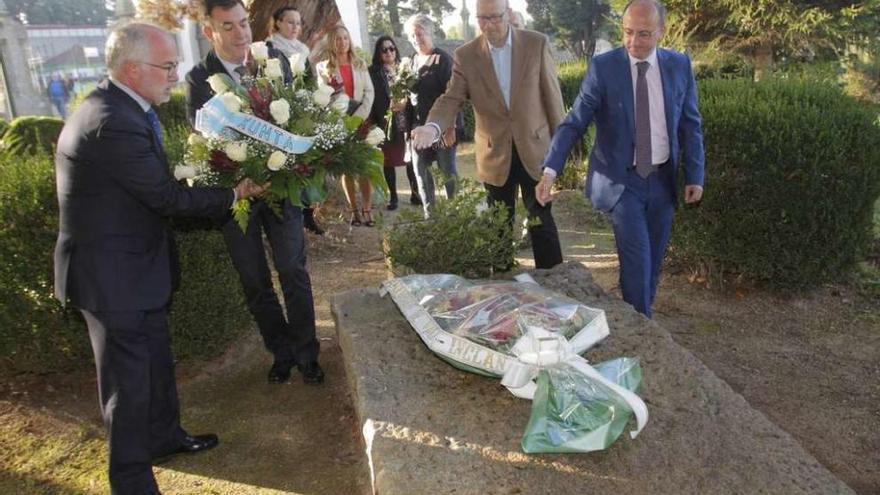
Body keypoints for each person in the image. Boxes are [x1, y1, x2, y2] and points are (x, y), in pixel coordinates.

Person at [53, 22, 268, 494]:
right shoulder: (113, 123)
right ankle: (131, 481)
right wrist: (234, 193)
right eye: (167, 66)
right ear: (132, 69)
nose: (176, 75)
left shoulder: (124, 107)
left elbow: (152, 188)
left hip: (132, 271)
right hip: (112, 278)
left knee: (153, 363)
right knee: (127, 388)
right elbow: (165, 199)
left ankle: (165, 437)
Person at [537, 0, 706, 317]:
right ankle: (643, 329)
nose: (633, 42)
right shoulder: (604, 67)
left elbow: (690, 124)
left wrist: (695, 175)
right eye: (627, 32)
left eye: (643, 34)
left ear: (661, 32)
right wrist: (550, 170)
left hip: (662, 181)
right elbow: (575, 121)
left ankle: (639, 317)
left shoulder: (679, 65)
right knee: (637, 260)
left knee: (653, 262)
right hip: (621, 181)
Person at [185, 0, 324, 384]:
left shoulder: (274, 59)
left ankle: (307, 353)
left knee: (293, 271)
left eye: (244, 23)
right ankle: (280, 351)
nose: (241, 33)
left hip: (280, 191)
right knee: (254, 280)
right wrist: (243, 179)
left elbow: (301, 117)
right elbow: (205, 143)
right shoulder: (199, 79)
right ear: (208, 31)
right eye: (228, 26)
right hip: (236, 198)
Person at [410, 0, 565, 269]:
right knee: (499, 226)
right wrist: (432, 126)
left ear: (508, 14)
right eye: (482, 19)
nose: (488, 25)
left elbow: (552, 99)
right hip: (494, 153)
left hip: (535, 149)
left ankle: (555, 285)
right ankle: (505, 290)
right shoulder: (466, 55)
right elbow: (451, 98)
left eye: (494, 17)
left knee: (541, 221)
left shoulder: (535, 43)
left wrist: (560, 150)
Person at [265, 5, 324, 235]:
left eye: (298, 23)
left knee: (307, 164)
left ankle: (307, 214)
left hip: (302, 112)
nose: (295, 27)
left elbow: (309, 82)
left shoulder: (302, 49)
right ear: (278, 22)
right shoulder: (270, 49)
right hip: (279, 113)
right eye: (290, 22)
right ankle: (290, 218)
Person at [314, 25, 376, 226]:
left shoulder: (359, 64)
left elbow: (369, 93)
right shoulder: (324, 67)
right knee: (347, 169)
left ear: (350, 41)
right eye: (338, 39)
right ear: (332, 42)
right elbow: (323, 97)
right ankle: (354, 211)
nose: (342, 42)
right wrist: (340, 119)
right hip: (339, 123)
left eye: (345, 38)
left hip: (360, 120)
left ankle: (367, 209)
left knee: (365, 167)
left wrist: (357, 118)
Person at [404, 14, 460, 218]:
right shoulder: (410, 61)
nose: (415, 38)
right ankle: (431, 217)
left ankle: (454, 215)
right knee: (421, 171)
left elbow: (453, 95)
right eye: (411, 35)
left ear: (430, 33)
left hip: (442, 127)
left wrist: (451, 127)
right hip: (418, 127)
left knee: (447, 170)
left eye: (419, 33)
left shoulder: (442, 59)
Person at [368, 35, 420, 211]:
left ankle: (415, 194)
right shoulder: (373, 73)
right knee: (388, 161)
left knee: (411, 160)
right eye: (384, 49)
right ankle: (394, 197)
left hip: (406, 120)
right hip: (386, 122)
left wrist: (406, 102)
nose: (389, 52)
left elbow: (415, 92)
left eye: (392, 48)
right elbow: (371, 97)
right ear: (379, 53)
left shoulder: (404, 69)